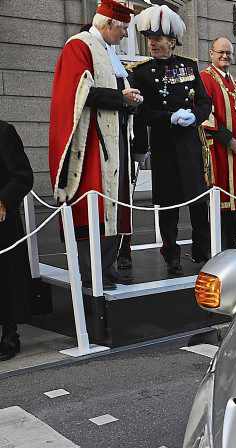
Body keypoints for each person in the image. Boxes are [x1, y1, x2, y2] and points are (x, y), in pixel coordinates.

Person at [48, 0, 141, 289]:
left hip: (115, 141)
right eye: (124, 28)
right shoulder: (80, 46)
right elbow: (78, 92)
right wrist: (121, 99)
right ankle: (92, 272)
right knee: (94, 209)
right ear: (108, 24)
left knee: (115, 208)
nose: (126, 35)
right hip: (91, 145)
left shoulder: (106, 50)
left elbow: (111, 92)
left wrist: (130, 103)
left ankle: (107, 267)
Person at [130, 4, 212, 275]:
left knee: (198, 201)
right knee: (168, 204)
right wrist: (168, 117)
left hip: (189, 144)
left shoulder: (189, 66)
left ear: (172, 41)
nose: (152, 43)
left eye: (158, 39)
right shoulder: (141, 72)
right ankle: (171, 253)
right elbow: (142, 112)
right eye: (150, 39)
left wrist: (195, 117)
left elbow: (204, 101)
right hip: (164, 146)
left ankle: (203, 247)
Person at [200, 36, 236, 251]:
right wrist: (230, 141)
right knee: (218, 200)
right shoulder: (204, 79)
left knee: (235, 201)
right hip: (217, 150)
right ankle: (215, 246)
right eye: (220, 52)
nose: (224, 56)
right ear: (211, 53)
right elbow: (206, 116)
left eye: (228, 53)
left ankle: (232, 241)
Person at [0, 121, 34, 361]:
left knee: (6, 279)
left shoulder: (4, 132)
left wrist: (3, 201)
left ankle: (10, 334)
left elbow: (23, 176)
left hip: (2, 220)